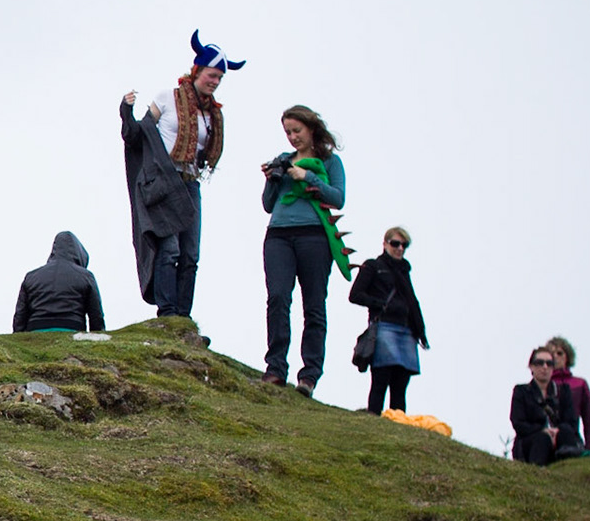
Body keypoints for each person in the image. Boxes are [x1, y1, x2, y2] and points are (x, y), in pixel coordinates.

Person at [120, 31, 244, 321]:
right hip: (165, 181)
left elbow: (208, 152)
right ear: (197, 71)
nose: (215, 82)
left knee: (190, 254)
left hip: (190, 184)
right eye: (211, 75)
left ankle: (183, 318)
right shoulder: (167, 98)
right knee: (170, 249)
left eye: (219, 78)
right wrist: (126, 110)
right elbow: (139, 133)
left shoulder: (213, 115)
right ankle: (168, 313)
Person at [258, 104, 347, 395]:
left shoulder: (329, 161)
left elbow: (338, 198)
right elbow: (268, 204)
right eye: (288, 132)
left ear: (311, 129)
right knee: (278, 298)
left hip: (315, 237)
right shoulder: (283, 160)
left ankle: (309, 376)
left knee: (314, 305)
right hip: (278, 235)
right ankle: (275, 368)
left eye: (297, 131)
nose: (293, 137)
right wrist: (272, 179)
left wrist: (307, 177)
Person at [350, 227, 427, 414]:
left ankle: (397, 422)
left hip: (407, 330)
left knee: (401, 383)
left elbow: (412, 302)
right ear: (385, 244)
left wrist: (421, 331)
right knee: (381, 378)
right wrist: (380, 304)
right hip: (384, 326)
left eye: (404, 245)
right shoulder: (373, 266)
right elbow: (355, 295)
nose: (400, 248)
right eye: (395, 243)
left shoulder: (404, 271)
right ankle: (373, 417)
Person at [14, 231, 105, 333]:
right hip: (72, 328)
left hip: (35, 329)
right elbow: (96, 315)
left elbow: (20, 314)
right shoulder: (86, 276)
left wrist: (18, 336)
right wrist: (97, 335)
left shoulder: (31, 276)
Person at [511, 347, 582, 465]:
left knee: (565, 432)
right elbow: (518, 423)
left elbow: (572, 422)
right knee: (542, 439)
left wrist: (556, 431)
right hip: (532, 442)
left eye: (549, 364)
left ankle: (570, 468)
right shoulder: (521, 391)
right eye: (539, 363)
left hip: (560, 440)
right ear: (531, 367)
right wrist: (544, 431)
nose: (545, 367)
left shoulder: (563, 391)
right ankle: (537, 472)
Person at [544, 336, 590, 454]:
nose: (555, 357)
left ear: (567, 357)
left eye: (559, 353)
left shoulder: (580, 384)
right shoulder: (542, 384)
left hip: (572, 439)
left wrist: (589, 448)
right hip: (545, 440)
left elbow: (588, 418)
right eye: (551, 354)